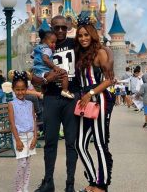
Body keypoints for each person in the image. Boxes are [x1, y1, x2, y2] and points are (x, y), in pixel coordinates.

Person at [34, 15, 113, 192]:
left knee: (72, 142)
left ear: (68, 26)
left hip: (72, 98)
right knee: (50, 142)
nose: (60, 31)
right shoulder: (45, 46)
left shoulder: (75, 43)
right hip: (51, 98)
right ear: (51, 28)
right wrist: (46, 80)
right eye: (57, 28)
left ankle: (70, 184)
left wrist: (110, 62)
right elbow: (35, 76)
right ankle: (48, 182)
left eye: (63, 27)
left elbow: (102, 48)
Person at [74, 20, 115, 192]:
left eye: (86, 35)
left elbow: (109, 80)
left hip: (98, 99)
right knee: (80, 144)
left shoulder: (100, 53)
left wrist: (90, 94)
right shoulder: (80, 54)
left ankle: (102, 185)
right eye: (80, 35)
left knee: (99, 143)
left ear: (92, 35)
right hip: (84, 101)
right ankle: (92, 180)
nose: (83, 38)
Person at [8, 70, 37, 192]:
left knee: (28, 165)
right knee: (22, 164)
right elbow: (12, 124)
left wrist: (35, 137)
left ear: (26, 89)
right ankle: (18, 189)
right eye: (18, 89)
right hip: (19, 137)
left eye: (23, 89)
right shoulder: (11, 104)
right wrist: (18, 140)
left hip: (30, 136)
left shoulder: (30, 103)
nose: (20, 92)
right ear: (13, 89)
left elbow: (34, 121)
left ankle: (25, 189)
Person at [33, 29, 73, 99]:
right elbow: (45, 59)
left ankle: (43, 92)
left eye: (55, 43)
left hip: (37, 71)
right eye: (52, 42)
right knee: (64, 73)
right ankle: (65, 90)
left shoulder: (37, 47)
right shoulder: (47, 49)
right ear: (44, 41)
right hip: (44, 70)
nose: (54, 45)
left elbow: (32, 56)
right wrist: (55, 67)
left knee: (46, 81)